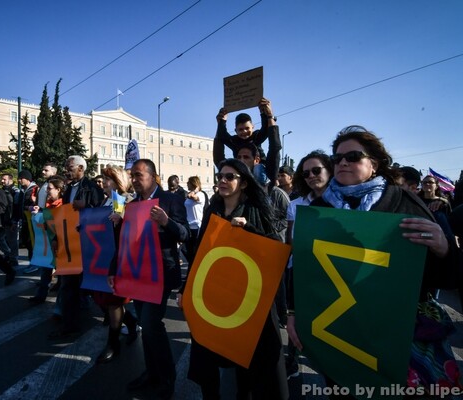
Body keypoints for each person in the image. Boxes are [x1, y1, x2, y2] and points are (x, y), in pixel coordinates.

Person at [287, 125, 462, 395]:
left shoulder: (404, 203)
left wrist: (444, 248)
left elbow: (444, 277)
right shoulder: (320, 211)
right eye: (337, 158)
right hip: (341, 330)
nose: (343, 162)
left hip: (394, 334)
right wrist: (294, 313)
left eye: (353, 156)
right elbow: (304, 269)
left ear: (374, 164)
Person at [178, 158, 288, 399]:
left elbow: (274, 248)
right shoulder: (213, 210)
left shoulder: (256, 210)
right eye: (220, 176)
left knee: (244, 357)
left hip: (245, 297)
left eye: (230, 177)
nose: (223, 181)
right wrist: (186, 289)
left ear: (244, 183)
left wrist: (250, 229)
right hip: (214, 293)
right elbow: (199, 252)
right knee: (207, 353)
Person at [110, 158, 189, 399]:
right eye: (132, 176)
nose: (133, 180)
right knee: (147, 325)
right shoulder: (131, 204)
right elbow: (124, 242)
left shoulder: (171, 200)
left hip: (161, 273)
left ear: (153, 177)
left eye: (138, 175)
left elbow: (185, 233)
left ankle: (166, 378)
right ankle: (152, 373)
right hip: (137, 273)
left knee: (152, 324)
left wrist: (166, 222)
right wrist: (114, 269)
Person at [284, 150, 334, 379]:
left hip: (336, 273)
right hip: (302, 268)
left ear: (329, 169)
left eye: (317, 170)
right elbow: (292, 240)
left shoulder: (345, 201)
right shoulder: (296, 204)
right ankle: (292, 359)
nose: (312, 176)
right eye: (306, 173)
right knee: (296, 315)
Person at [49, 155, 104, 338]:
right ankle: (69, 323)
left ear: (81, 168)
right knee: (68, 285)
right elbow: (63, 216)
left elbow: (100, 213)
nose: (66, 169)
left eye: (70, 166)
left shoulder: (92, 188)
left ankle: (120, 318)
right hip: (70, 244)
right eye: (65, 165)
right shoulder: (68, 190)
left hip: (87, 244)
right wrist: (57, 237)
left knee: (95, 287)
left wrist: (86, 206)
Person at [92, 165, 139, 363]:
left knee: (113, 302)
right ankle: (130, 321)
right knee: (104, 299)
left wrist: (121, 218)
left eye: (107, 179)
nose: (103, 182)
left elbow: (129, 226)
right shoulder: (105, 200)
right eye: (103, 178)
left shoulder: (123, 200)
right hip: (102, 258)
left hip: (117, 259)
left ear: (117, 181)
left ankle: (113, 344)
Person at [213, 97, 281, 188]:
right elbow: (222, 137)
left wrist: (264, 113)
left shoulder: (256, 136)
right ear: (235, 131)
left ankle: (259, 188)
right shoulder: (234, 141)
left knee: (257, 169)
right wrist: (222, 122)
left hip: (260, 170)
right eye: (240, 129)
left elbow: (266, 130)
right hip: (242, 172)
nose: (244, 132)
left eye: (247, 128)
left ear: (252, 127)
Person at [28, 175, 65, 305]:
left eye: (49, 189)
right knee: (46, 268)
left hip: (59, 244)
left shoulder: (63, 205)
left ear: (58, 190)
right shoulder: (50, 206)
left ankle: (63, 303)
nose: (47, 191)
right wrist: (41, 211)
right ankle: (41, 295)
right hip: (49, 243)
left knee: (62, 274)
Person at [18, 170, 38, 272]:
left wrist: (29, 207)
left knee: (32, 242)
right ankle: (32, 262)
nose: (19, 180)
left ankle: (35, 264)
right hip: (25, 220)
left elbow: (35, 204)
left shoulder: (34, 189)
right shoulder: (23, 190)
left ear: (27, 179)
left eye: (21, 178)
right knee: (27, 243)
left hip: (32, 220)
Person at [183, 176, 206, 265]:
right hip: (188, 226)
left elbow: (193, 197)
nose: (187, 184)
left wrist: (196, 190)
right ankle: (191, 265)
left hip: (197, 226)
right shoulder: (189, 194)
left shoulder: (200, 194)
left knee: (194, 251)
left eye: (188, 182)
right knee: (185, 250)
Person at [0, 173, 20, 266]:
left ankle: (13, 258)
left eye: (4, 179)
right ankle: (8, 253)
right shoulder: (1, 190)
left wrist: (14, 220)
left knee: (12, 241)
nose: (2, 181)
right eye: (2, 179)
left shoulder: (15, 191)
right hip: (2, 219)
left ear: (10, 180)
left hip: (11, 219)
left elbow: (16, 206)